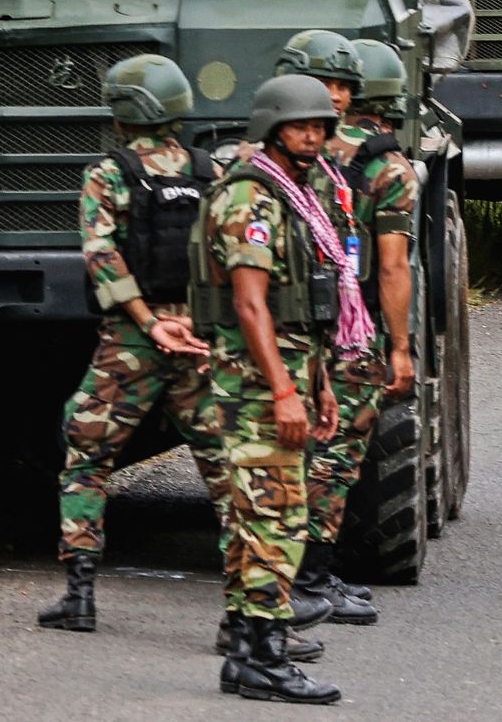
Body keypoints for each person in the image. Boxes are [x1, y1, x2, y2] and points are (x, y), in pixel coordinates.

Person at [39, 54, 227, 637]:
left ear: (120, 114)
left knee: (87, 457)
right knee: (226, 465)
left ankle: (80, 593)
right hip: (199, 339)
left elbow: (102, 259)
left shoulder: (108, 174)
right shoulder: (209, 171)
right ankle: (251, 605)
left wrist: (148, 322)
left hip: (132, 342)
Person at [196, 74, 358, 705]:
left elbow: (303, 312)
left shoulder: (296, 195)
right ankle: (265, 655)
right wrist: (284, 391)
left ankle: (244, 649)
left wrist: (316, 385)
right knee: (276, 518)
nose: (313, 135)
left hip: (284, 373)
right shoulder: (252, 200)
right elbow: (251, 304)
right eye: (300, 126)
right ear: (271, 129)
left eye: (320, 125)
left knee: (256, 518)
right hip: (256, 383)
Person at [297, 37, 423, 626]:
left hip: (278, 327)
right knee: (338, 452)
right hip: (351, 328)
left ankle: (276, 574)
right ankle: (313, 575)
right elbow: (394, 267)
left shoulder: (259, 154)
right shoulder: (385, 166)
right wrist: (400, 347)